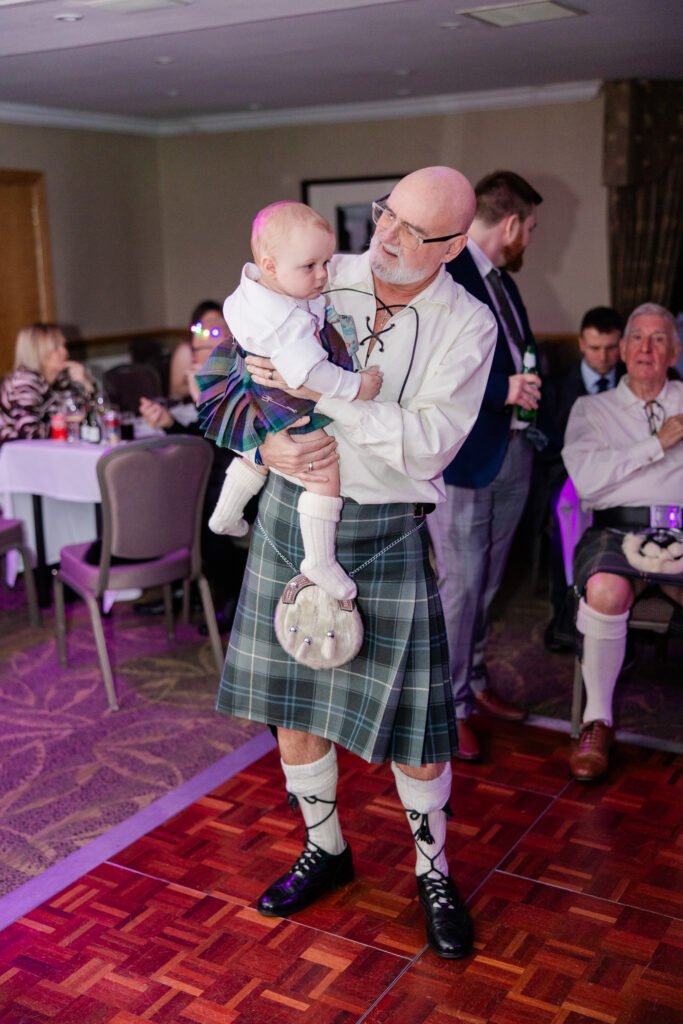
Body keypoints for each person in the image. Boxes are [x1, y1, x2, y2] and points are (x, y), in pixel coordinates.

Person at [209, 167, 497, 959]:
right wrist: (260, 436)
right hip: (287, 511)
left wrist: (326, 396)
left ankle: (432, 869)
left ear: (456, 244)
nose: (387, 237)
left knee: (418, 730)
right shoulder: (315, 273)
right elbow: (229, 370)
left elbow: (428, 443)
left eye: (411, 230)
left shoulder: (467, 325)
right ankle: (324, 848)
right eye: (385, 215)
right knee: (295, 711)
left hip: (389, 528)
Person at [197, 202, 382, 601]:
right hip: (285, 395)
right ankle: (319, 559)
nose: (322, 276)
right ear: (270, 265)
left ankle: (227, 514)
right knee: (323, 472)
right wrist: (357, 386)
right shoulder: (288, 324)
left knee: (253, 454)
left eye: (326, 263)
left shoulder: (251, 289)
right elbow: (314, 377)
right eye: (310, 266)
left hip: (254, 391)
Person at [427, 170, 543, 762]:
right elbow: (431, 371)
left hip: (512, 451)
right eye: (531, 230)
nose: (530, 242)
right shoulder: (449, 273)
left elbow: (516, 347)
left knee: (489, 582)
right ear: (512, 223)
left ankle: (470, 683)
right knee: (461, 584)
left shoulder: (502, 281)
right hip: (464, 456)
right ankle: (447, 707)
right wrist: (505, 389)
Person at [563, 302, 683, 782]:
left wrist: (625, 467)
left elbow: (608, 473)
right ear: (623, 348)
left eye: (658, 339)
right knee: (606, 590)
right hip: (615, 528)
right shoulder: (592, 408)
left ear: (674, 351)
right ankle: (597, 720)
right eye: (636, 337)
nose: (645, 348)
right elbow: (590, 484)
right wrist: (657, 446)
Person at [139, 305, 249, 631]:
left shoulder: (247, 379)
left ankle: (231, 596)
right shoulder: (207, 382)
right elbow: (204, 444)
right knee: (171, 502)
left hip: (249, 484)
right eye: (198, 348)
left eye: (214, 339)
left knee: (201, 513)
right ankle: (183, 588)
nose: (202, 352)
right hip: (216, 481)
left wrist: (207, 401)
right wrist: (170, 423)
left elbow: (234, 447)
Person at [537, 306, 625, 651]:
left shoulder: (631, 383)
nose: (603, 357)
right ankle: (567, 613)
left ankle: (618, 613)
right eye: (594, 348)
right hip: (569, 479)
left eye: (611, 348)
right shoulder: (556, 387)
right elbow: (546, 446)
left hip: (622, 480)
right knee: (566, 519)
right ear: (581, 345)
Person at [0, 322, 93, 445]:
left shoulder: (60, 379)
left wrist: (85, 383)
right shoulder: (25, 381)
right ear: (39, 353)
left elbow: (93, 419)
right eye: (56, 348)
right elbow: (30, 433)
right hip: (15, 458)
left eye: (63, 345)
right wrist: (69, 424)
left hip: (48, 453)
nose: (65, 352)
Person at [168, 300, 225, 403]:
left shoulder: (229, 348)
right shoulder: (186, 350)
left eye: (217, 321)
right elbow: (175, 391)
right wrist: (200, 383)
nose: (212, 327)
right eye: (207, 323)